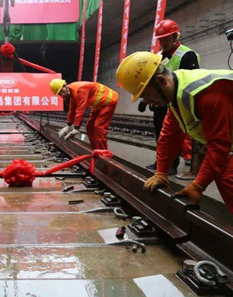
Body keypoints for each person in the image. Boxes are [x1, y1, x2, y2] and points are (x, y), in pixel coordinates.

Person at [116, 51, 233, 214]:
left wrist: (198, 185)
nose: (149, 103)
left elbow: (219, 145)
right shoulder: (177, 94)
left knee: (228, 176)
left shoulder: (207, 95)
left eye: (147, 96)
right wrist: (161, 173)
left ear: (161, 81)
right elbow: (169, 136)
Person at [141, 19, 200, 175]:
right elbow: (152, 78)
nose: (163, 42)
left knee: (172, 135)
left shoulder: (187, 55)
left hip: (177, 103)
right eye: (161, 39)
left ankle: (172, 164)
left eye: (166, 38)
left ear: (175, 36)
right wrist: (145, 99)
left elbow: (191, 81)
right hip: (160, 103)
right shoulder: (159, 56)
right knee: (160, 133)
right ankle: (162, 162)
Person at [49, 79, 118, 149]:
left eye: (61, 91)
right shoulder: (71, 93)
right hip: (99, 104)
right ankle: (95, 148)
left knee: (99, 127)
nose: (62, 94)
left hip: (109, 101)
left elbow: (80, 109)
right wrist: (68, 125)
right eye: (59, 93)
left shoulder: (80, 90)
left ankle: (103, 152)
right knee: (89, 126)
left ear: (65, 85)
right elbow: (72, 110)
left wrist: (76, 128)